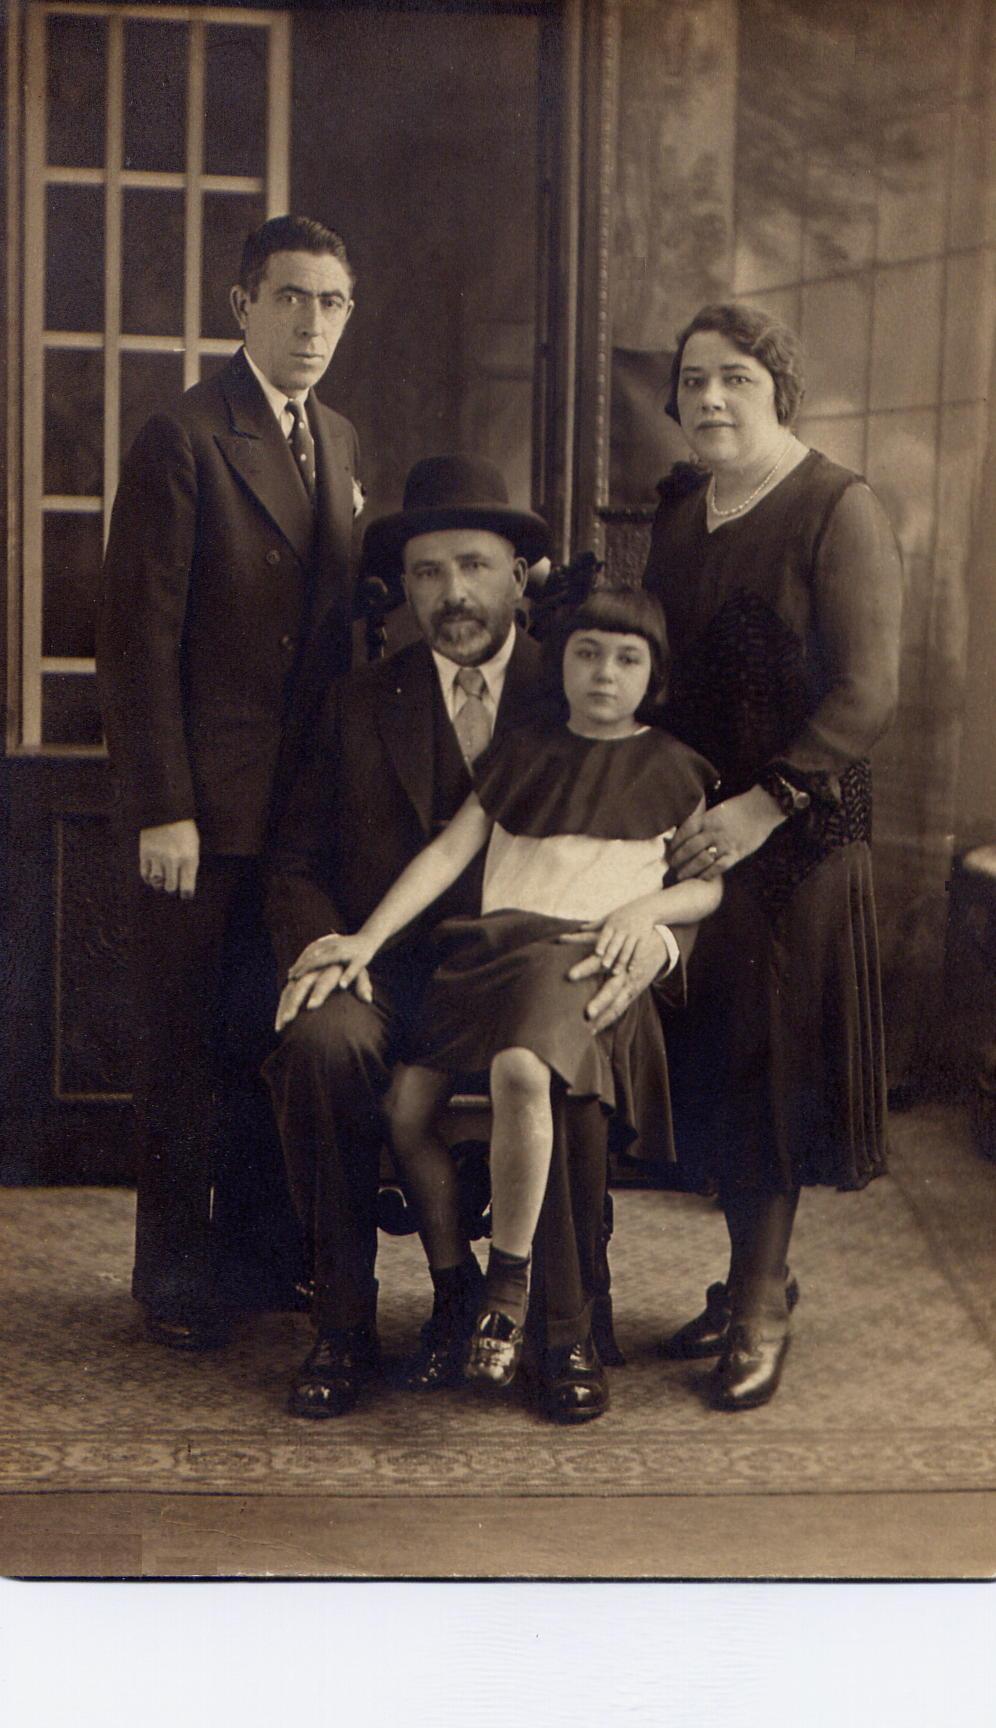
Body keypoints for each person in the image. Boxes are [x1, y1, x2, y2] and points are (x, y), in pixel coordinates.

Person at [264, 455, 687, 1423]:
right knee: (323, 1046)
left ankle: (561, 1328)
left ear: (519, 574)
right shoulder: (361, 700)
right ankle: (347, 1319)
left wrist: (655, 947)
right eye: (426, 572)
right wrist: (334, 949)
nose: (453, 594)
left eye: (475, 565)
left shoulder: (589, 672)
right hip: (402, 977)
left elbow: (669, 853)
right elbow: (295, 859)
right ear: (402, 586)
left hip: (561, 966)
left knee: (553, 1054)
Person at [97, 215, 362, 1350]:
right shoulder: (184, 434)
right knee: (184, 1046)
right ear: (242, 306)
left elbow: (338, 615)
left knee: (270, 1035)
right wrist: (165, 803)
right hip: (199, 811)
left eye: (333, 303)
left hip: (301, 814)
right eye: (292, 298)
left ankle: (259, 1260)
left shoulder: (338, 438)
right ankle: (173, 1279)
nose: (312, 323)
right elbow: (135, 637)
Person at [643, 301, 903, 1408]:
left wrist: (764, 806)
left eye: (736, 380)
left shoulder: (837, 507)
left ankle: (761, 1296)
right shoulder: (679, 512)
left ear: (779, 390)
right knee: (712, 1058)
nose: (710, 400)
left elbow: (867, 692)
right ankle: (747, 1274)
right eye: (694, 381)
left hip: (794, 835)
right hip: (698, 833)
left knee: (771, 1064)